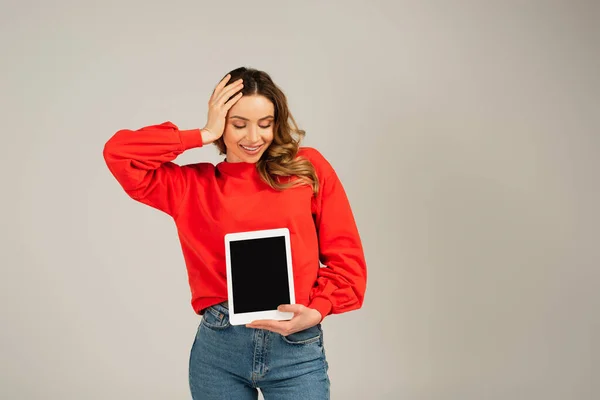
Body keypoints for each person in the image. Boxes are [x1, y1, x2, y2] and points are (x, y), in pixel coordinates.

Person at [102, 67, 367, 399]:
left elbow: (347, 261)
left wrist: (318, 309)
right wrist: (201, 133)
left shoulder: (307, 169)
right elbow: (119, 152)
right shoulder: (191, 186)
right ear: (222, 125)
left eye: (265, 124)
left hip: (296, 348)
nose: (253, 138)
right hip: (219, 352)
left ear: (277, 123)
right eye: (238, 124)